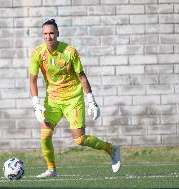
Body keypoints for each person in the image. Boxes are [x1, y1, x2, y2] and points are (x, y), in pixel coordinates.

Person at [29, 19, 121, 178]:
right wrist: (36, 104)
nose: (48, 37)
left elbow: (82, 77)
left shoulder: (70, 51)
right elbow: (32, 80)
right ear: (42, 35)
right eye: (45, 34)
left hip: (73, 99)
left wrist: (92, 101)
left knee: (79, 140)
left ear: (57, 34)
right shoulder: (37, 53)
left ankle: (111, 149)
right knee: (45, 136)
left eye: (51, 33)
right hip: (52, 100)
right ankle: (51, 169)